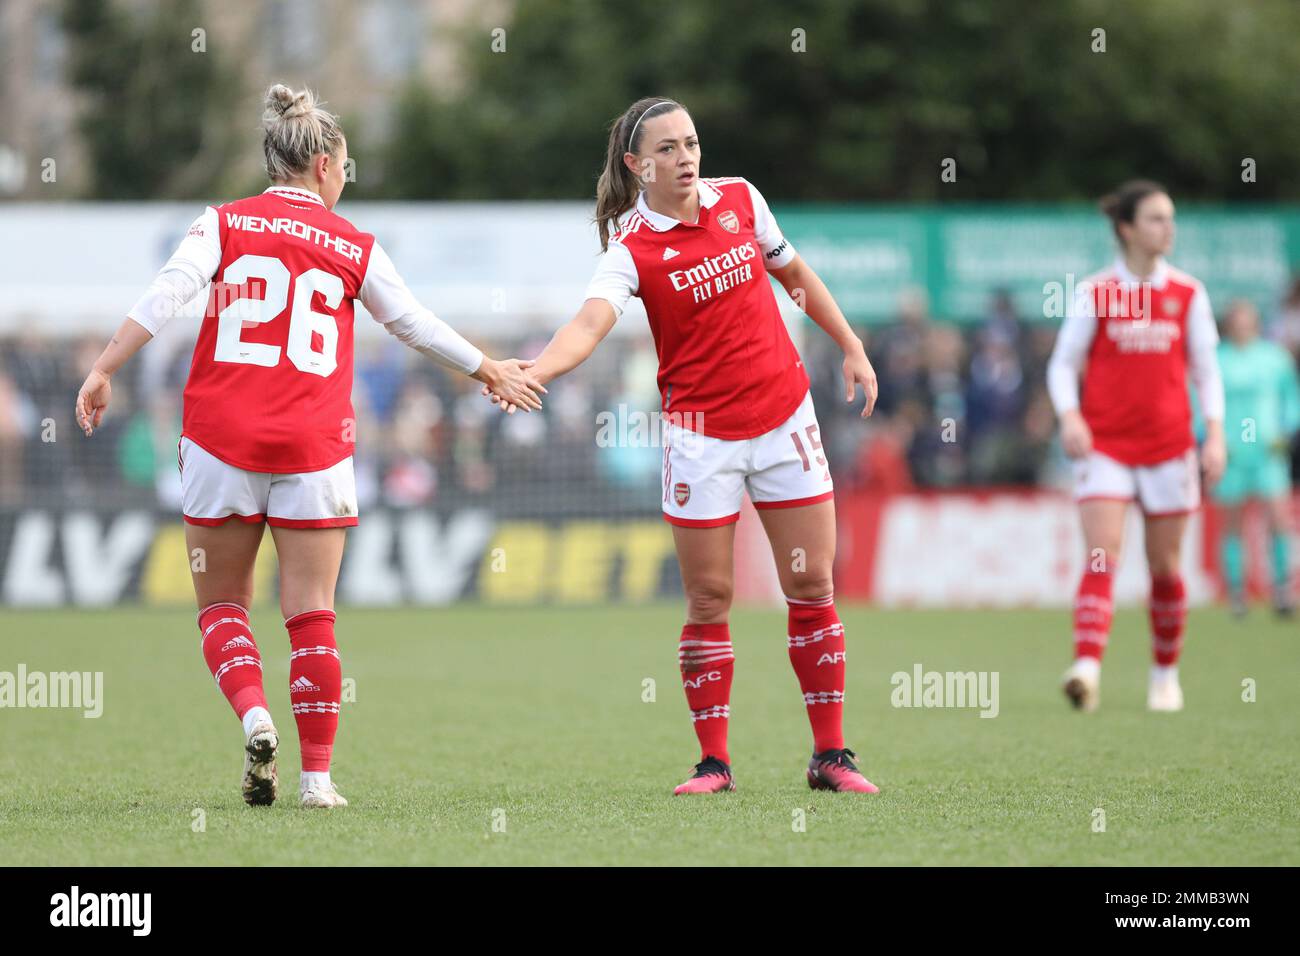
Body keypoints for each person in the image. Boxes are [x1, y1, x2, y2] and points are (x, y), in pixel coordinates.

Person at [75, 84, 544, 809]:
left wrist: (105, 367)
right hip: (314, 448)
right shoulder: (354, 244)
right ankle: (317, 780)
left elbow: (166, 294)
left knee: (223, 606)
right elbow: (413, 324)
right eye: (346, 167)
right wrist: (489, 368)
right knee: (312, 613)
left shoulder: (223, 223)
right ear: (324, 165)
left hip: (219, 442)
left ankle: (254, 715)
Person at [484, 97, 881, 794]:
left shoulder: (741, 200)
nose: (686, 157)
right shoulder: (631, 248)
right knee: (709, 598)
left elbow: (796, 278)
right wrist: (535, 370)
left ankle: (832, 757)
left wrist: (851, 346)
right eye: (666, 149)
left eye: (691, 142)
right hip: (702, 441)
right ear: (638, 167)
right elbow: (589, 324)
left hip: (786, 418)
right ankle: (714, 764)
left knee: (813, 584)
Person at [1047, 180, 1225, 713]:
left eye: (1170, 218)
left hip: (1171, 448)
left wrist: (1215, 435)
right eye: (1155, 219)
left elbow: (1207, 372)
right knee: (1102, 555)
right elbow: (1062, 364)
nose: (1167, 228)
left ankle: (1164, 675)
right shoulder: (1096, 292)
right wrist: (1071, 416)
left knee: (1166, 569)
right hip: (1106, 447)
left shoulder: (1188, 293)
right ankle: (1086, 667)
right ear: (1126, 228)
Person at [1215, 300, 1300, 616]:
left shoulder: (1274, 358)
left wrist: (1285, 431)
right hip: (1233, 452)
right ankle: (1237, 594)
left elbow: (1291, 398)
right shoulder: (1216, 360)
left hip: (1267, 450)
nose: (1242, 326)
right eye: (1237, 321)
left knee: (1278, 519)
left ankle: (1283, 590)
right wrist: (1212, 437)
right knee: (1232, 523)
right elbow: (1201, 402)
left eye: (1247, 320)